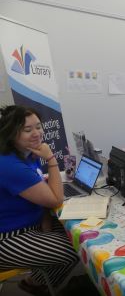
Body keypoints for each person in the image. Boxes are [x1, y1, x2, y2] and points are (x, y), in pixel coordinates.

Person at [0, 105, 79, 295]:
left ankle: (38, 279)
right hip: (8, 237)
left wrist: (45, 220)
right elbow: (55, 199)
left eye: (38, 126)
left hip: (28, 224)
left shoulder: (27, 153)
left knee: (79, 234)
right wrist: (51, 158)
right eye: (28, 130)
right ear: (11, 134)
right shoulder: (10, 164)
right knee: (76, 249)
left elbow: (42, 193)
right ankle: (34, 284)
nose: (37, 133)